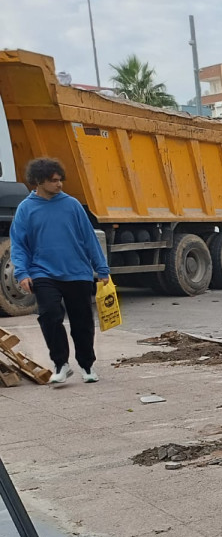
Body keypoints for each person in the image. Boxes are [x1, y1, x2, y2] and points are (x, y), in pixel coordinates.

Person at [11, 157, 110, 384]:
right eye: (54, 181)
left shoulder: (72, 205)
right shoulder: (26, 209)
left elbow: (88, 238)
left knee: (82, 322)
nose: (59, 184)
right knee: (49, 316)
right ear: (38, 181)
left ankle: (87, 366)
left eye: (60, 180)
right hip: (43, 272)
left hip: (77, 272)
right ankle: (61, 364)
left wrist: (101, 269)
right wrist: (22, 273)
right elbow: (18, 244)